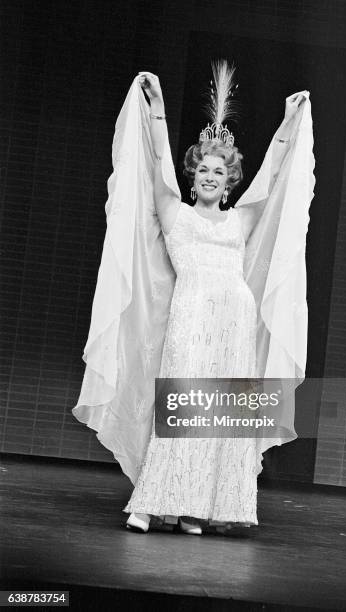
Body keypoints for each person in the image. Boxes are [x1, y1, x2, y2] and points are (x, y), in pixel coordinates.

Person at [72, 61, 315, 537]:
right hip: (190, 317)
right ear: (193, 176)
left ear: (229, 182)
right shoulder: (175, 215)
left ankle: (195, 508)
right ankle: (154, 500)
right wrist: (158, 107)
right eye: (202, 169)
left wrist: (287, 123)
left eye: (218, 171)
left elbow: (271, 178)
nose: (209, 175)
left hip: (234, 322)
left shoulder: (240, 221)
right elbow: (157, 163)